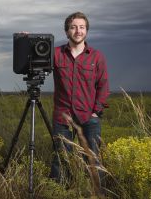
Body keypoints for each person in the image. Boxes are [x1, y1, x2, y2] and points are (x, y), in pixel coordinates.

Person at [49, 12, 109, 187]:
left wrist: (96, 111)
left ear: (86, 31)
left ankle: (97, 194)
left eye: (82, 27)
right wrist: (26, 40)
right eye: (73, 27)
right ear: (67, 31)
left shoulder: (97, 56)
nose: (78, 31)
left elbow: (103, 86)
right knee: (60, 161)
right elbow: (36, 62)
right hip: (63, 117)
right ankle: (57, 193)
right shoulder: (56, 54)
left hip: (89, 117)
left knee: (93, 162)